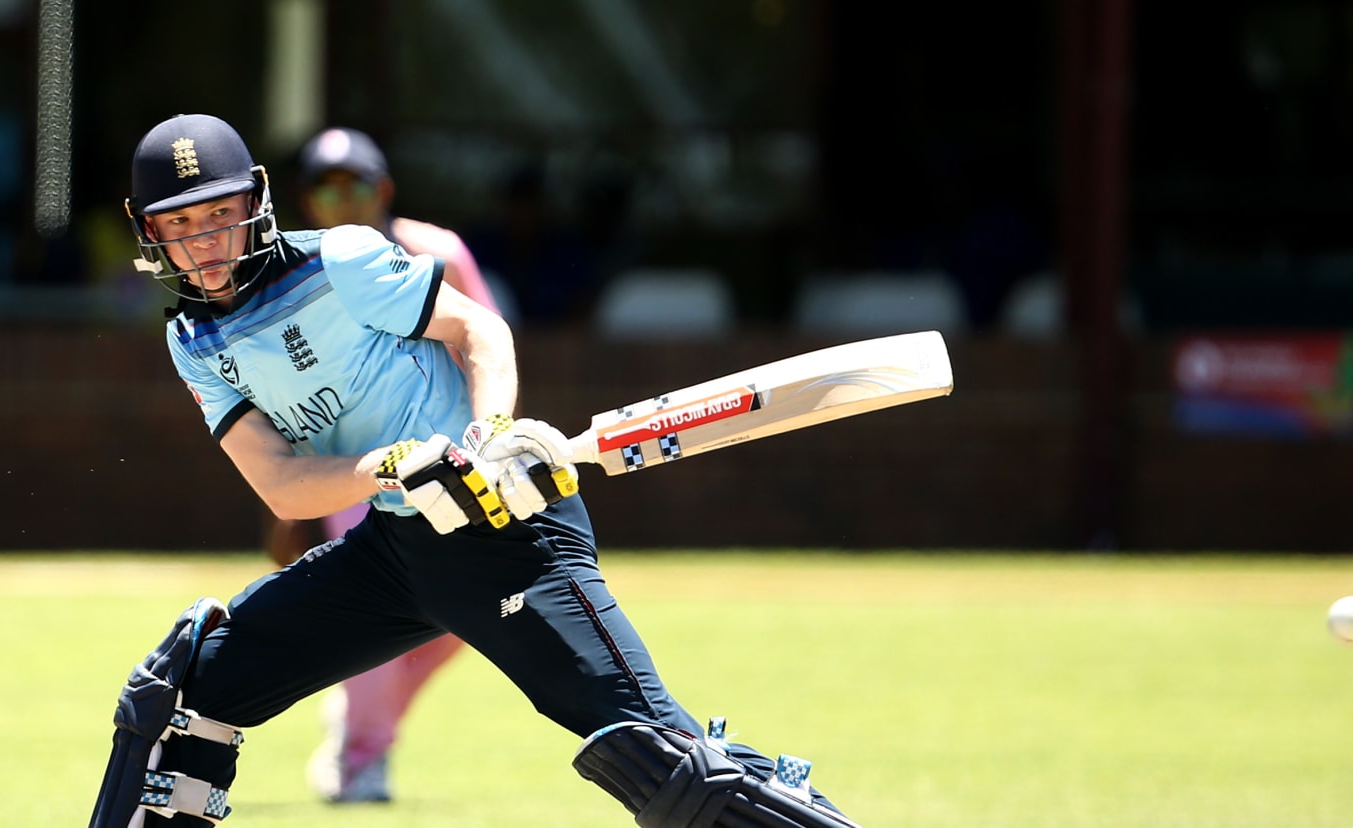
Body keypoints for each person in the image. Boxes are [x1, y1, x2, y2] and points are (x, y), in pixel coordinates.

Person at [88, 113, 860, 828]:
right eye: (180, 224)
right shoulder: (192, 338)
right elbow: (282, 482)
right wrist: (389, 466)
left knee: (660, 759)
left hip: (506, 534)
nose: (205, 242)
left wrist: (490, 433)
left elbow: (479, 331)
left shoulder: (345, 259)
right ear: (149, 232)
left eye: (218, 214)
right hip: (395, 554)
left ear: (253, 201)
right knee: (186, 694)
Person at [254, 126, 500, 804]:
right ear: (308, 202)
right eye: (326, 188)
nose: (342, 199)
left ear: (383, 190)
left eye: (355, 185)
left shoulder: (437, 253)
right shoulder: (294, 274)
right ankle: (362, 761)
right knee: (382, 605)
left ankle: (367, 718)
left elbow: (484, 342)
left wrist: (492, 436)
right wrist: (286, 493)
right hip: (355, 469)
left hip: (452, 458)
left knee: (463, 615)